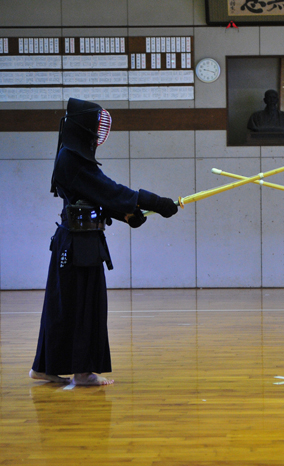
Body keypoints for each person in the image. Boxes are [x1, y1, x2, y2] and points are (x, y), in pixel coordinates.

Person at [29, 98, 178, 386]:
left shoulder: (73, 159)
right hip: (77, 246)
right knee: (82, 306)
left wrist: (127, 215)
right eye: (95, 127)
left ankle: (45, 367)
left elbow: (96, 198)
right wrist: (154, 202)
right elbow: (108, 190)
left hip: (79, 242)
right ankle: (82, 372)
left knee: (66, 306)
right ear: (84, 128)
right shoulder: (71, 159)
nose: (98, 134)